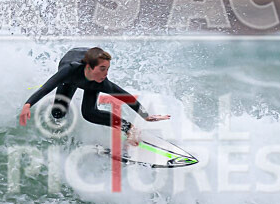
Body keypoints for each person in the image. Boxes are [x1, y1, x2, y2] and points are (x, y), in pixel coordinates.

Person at [19, 47, 169, 145]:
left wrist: (146, 116)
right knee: (58, 113)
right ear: (89, 67)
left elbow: (125, 96)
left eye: (107, 69)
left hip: (90, 68)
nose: (106, 74)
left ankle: (128, 127)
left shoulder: (101, 81)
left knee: (89, 113)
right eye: (102, 69)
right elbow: (47, 87)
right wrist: (28, 105)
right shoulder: (68, 72)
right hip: (73, 61)